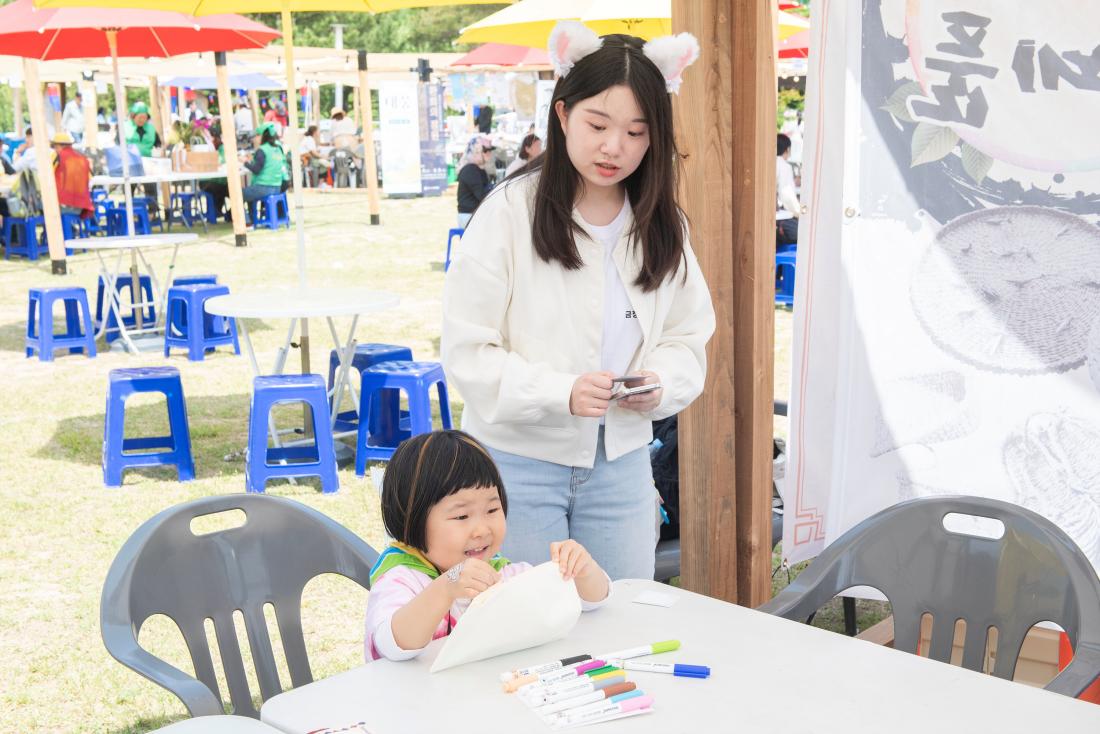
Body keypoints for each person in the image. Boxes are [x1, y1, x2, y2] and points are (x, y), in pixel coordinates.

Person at [440, 22, 714, 582]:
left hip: (622, 463)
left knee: (622, 618)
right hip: (515, 466)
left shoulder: (662, 226)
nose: (615, 147)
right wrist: (558, 391)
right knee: (525, 629)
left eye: (637, 132)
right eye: (598, 124)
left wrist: (662, 382)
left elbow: (689, 338)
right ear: (562, 115)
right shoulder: (510, 212)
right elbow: (467, 351)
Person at [363, 430, 610, 662]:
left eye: (492, 509)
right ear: (411, 518)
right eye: (461, 517)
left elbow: (590, 601)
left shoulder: (504, 573)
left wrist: (582, 569)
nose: (482, 530)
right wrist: (446, 588)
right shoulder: (401, 578)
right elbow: (391, 644)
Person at [243, 122, 289, 204]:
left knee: (237, 194)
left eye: (257, 135)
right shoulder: (278, 148)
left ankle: (246, 217)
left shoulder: (262, 149)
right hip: (277, 187)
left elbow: (256, 170)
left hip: (263, 188)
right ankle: (250, 216)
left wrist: (245, 162)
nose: (254, 139)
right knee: (249, 194)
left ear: (262, 136)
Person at [50, 132, 93, 219]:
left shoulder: (57, 156)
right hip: (83, 206)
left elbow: (49, 177)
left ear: (59, 146)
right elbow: (90, 180)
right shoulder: (82, 158)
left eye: (55, 147)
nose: (55, 149)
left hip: (62, 205)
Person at [455, 135, 493, 228]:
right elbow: (482, 196)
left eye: (490, 150)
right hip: (469, 216)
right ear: (476, 151)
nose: (489, 153)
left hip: (475, 215)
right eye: (485, 150)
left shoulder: (479, 169)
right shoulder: (470, 170)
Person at [776, 133, 800, 247]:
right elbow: (787, 196)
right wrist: (799, 213)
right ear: (787, 149)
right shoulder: (784, 166)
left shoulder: (768, 162)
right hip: (779, 222)